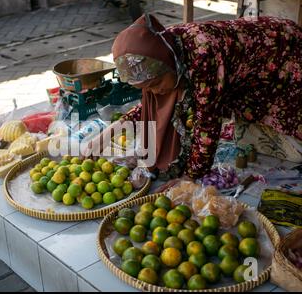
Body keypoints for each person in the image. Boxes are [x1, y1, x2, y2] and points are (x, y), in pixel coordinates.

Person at [88, 14, 302, 180]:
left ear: (169, 67)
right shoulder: (162, 53)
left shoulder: (201, 56)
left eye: (155, 85)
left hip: (281, 48)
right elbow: (149, 108)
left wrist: (191, 176)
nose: (154, 92)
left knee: (283, 117)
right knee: (250, 129)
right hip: (246, 61)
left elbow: (207, 122)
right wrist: (106, 135)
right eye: (147, 88)